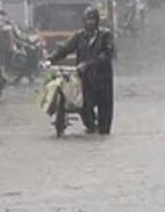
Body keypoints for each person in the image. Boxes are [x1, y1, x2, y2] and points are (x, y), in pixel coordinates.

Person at [47, 7, 116, 135]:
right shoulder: (79, 36)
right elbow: (64, 49)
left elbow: (107, 55)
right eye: (87, 20)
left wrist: (88, 64)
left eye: (92, 19)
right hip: (85, 80)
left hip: (103, 81)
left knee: (105, 120)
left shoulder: (105, 35)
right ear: (83, 21)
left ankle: (102, 136)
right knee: (84, 108)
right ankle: (91, 129)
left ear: (97, 21)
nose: (90, 22)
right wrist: (50, 59)